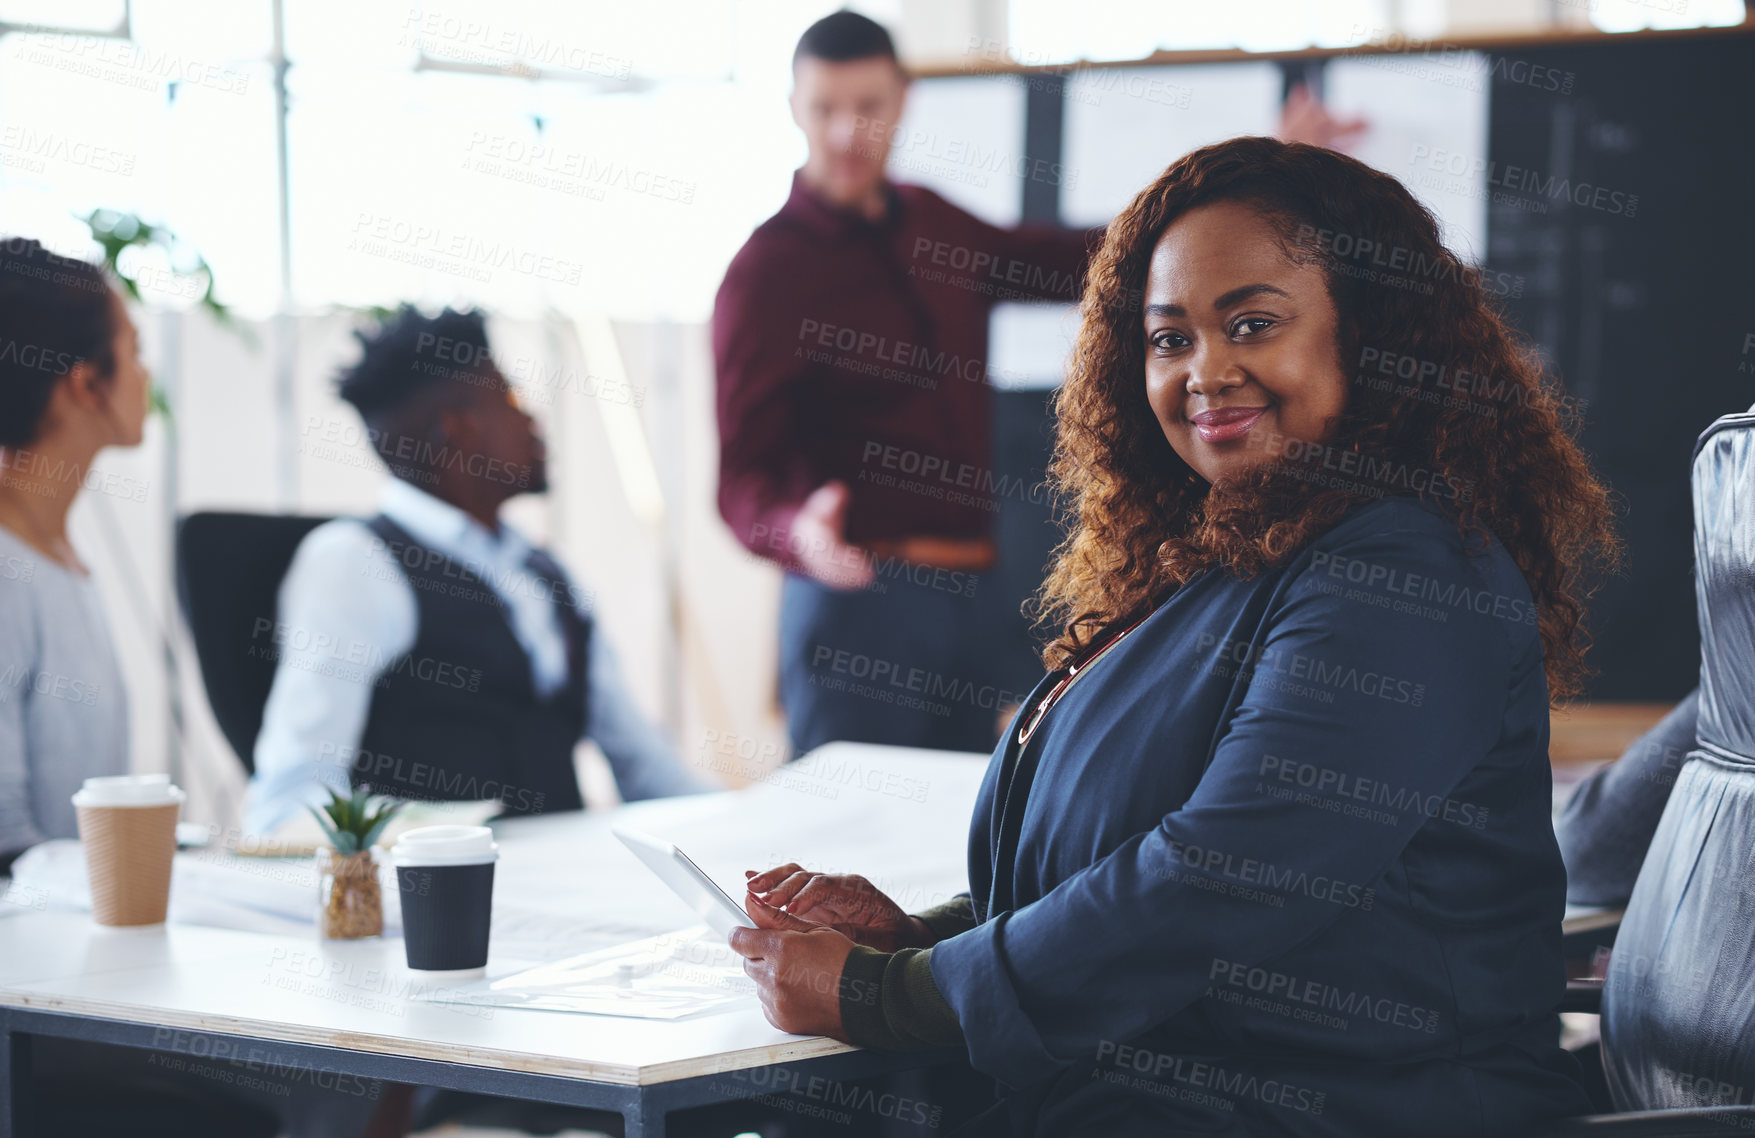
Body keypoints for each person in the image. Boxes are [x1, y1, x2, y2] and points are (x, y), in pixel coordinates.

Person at [727, 136, 1618, 1136]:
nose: (1206, 372)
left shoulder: (1408, 577)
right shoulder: (1220, 561)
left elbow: (1215, 882)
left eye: (1252, 323)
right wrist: (912, 942)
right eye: (1168, 339)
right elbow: (1114, 868)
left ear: (1366, 332)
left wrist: (885, 996)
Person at [715, 13, 1376, 761]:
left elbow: (1085, 259)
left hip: (970, 593)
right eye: (824, 109)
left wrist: (1266, 177)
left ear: (902, 100)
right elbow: (739, 481)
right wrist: (795, 531)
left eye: (866, 107)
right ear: (793, 108)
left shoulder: (931, 223)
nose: (845, 132)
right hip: (857, 603)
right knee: (839, 844)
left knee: (948, 837)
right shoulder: (763, 273)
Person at [242, 306, 711, 836]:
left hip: (575, 884)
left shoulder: (545, 571)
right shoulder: (355, 562)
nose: (534, 419)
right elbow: (291, 799)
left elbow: (645, 767)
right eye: (511, 400)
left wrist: (748, 823)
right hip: (445, 899)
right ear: (459, 431)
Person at [0, 237, 147, 874]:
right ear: (87, 381)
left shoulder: (59, 555)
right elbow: (7, 850)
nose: (145, 376)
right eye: (135, 351)